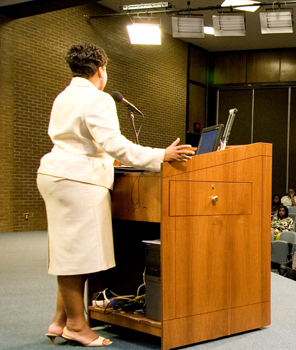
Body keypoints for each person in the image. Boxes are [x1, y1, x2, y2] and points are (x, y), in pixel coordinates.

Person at [38, 44, 194, 347]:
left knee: (71, 252)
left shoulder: (63, 96)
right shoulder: (98, 98)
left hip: (57, 174)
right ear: (101, 70)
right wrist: (161, 154)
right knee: (75, 258)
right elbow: (114, 144)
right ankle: (76, 326)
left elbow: (81, 140)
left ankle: (60, 321)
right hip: (78, 180)